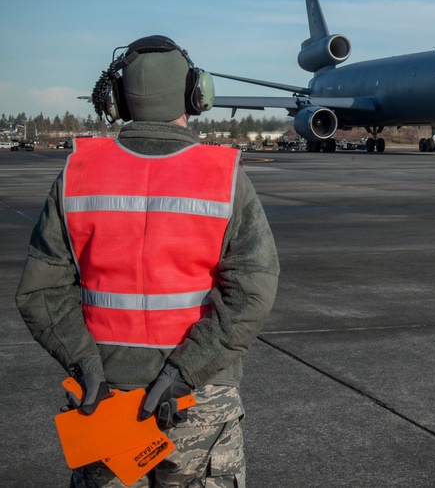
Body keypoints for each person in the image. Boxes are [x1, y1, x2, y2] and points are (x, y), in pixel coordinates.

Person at [16, 35, 280, 487]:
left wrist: (86, 366)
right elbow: (251, 293)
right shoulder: (225, 178)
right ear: (196, 95)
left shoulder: (77, 174)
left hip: (105, 400)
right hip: (196, 398)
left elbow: (41, 291)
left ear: (118, 100)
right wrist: (184, 372)